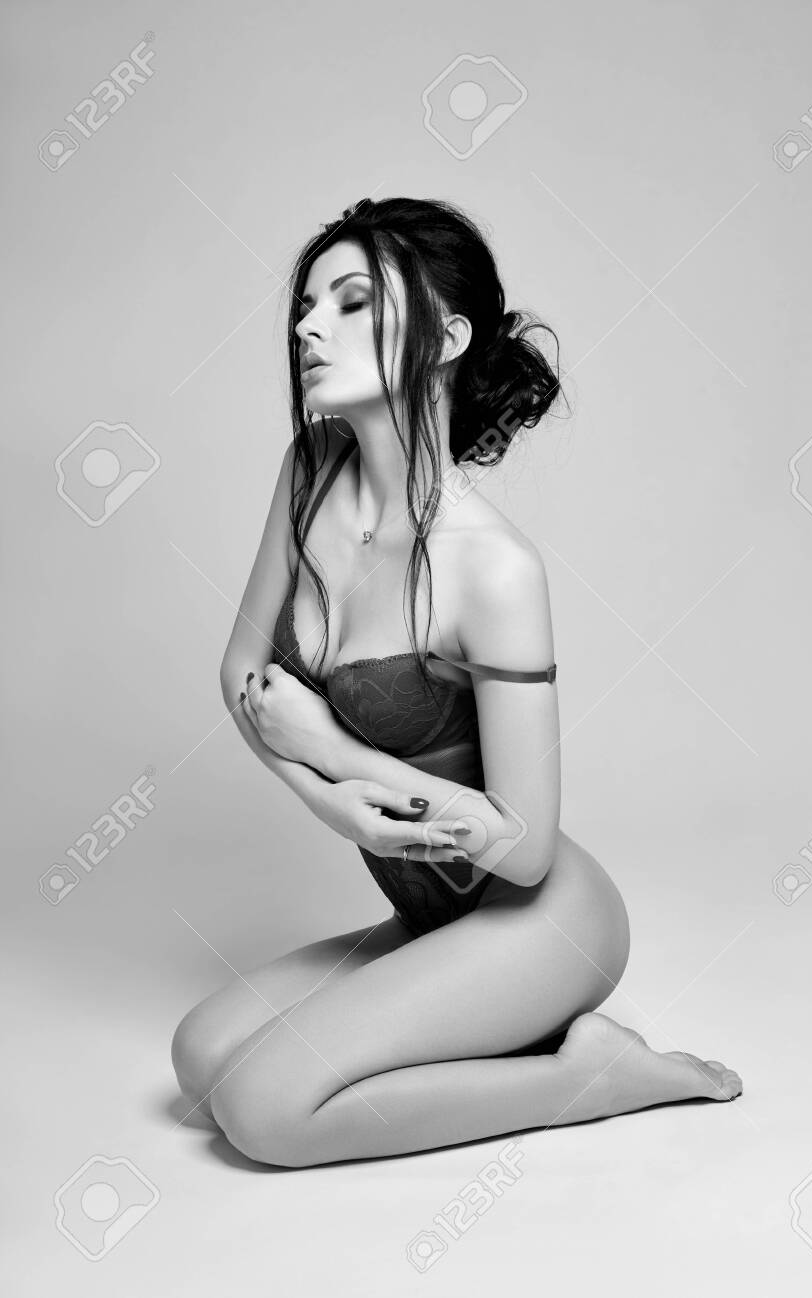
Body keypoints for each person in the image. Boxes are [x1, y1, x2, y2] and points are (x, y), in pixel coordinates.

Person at [171, 197, 742, 1167]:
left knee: (262, 1113)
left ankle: (591, 1077)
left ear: (446, 339)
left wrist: (333, 748)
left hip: (541, 920)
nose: (308, 327)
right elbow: (241, 672)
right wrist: (327, 799)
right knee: (199, 1061)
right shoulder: (310, 472)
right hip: (430, 914)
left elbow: (521, 846)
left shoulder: (494, 567)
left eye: (352, 303)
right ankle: (488, 1027)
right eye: (306, 306)